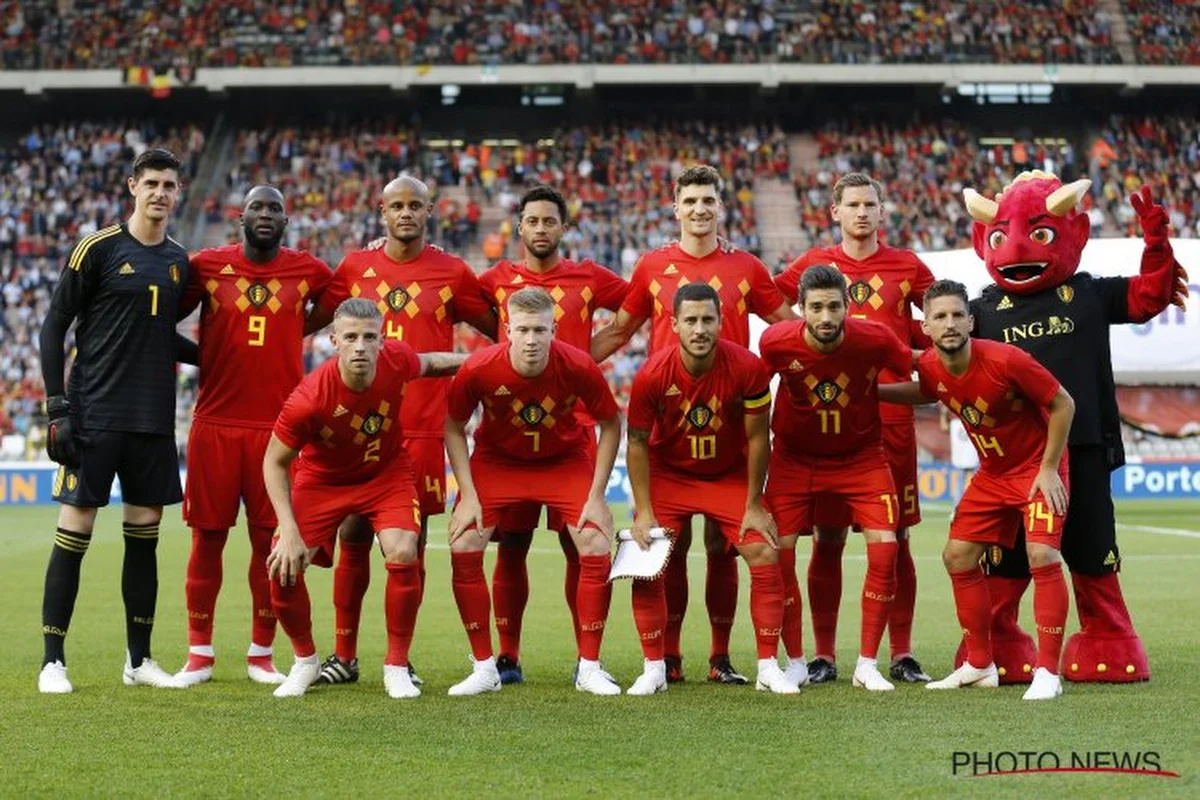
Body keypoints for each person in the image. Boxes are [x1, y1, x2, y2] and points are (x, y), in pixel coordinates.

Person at [591, 164, 795, 685]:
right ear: (675, 208)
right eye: (691, 201)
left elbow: (788, 327)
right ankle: (669, 660)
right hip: (666, 434)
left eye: (709, 200)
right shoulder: (652, 266)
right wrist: (561, 366)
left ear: (720, 206)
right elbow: (619, 331)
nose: (699, 209)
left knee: (725, 547)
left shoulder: (747, 267)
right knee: (667, 551)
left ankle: (721, 658)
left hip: (728, 429)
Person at [307, 174, 497, 686]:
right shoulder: (354, 266)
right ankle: (344, 656)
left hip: (422, 430)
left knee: (409, 542)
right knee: (352, 535)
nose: (406, 213)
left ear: (430, 210)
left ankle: (400, 658)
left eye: (416, 205)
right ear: (382, 211)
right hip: (356, 429)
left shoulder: (453, 271)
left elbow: (500, 328)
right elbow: (309, 320)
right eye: (398, 206)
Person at [37, 148, 193, 693]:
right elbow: (53, 326)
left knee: (144, 539)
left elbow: (158, 332)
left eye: (169, 185)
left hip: (151, 420)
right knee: (74, 530)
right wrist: (57, 407)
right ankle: (52, 661)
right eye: (151, 182)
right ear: (132, 187)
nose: (160, 192)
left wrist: (218, 356)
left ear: (178, 193)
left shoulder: (178, 260)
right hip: (94, 415)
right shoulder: (97, 249)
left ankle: (139, 660)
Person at [774, 172, 935, 684]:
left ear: (882, 212)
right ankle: (823, 656)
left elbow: (941, 321)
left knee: (898, 539)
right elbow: (769, 302)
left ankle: (902, 652)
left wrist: (916, 340)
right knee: (828, 537)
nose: (862, 213)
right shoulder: (812, 266)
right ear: (835, 213)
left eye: (871, 204)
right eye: (853, 205)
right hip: (825, 423)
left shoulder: (907, 265)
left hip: (889, 422)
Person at [262, 298, 466, 699]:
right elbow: (273, 463)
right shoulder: (309, 397)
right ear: (333, 340)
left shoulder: (397, 361)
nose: (360, 346)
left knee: (404, 550)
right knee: (282, 565)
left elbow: (433, 363)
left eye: (369, 337)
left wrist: (493, 356)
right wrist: (288, 530)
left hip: (385, 474)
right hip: (323, 481)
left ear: (383, 339)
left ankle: (395, 666)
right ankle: (305, 661)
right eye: (351, 337)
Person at [880, 280, 1074, 701]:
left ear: (970, 321)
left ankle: (1048, 673)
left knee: (1042, 554)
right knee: (957, 556)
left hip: (1037, 469)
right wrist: (870, 394)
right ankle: (981, 664)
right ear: (925, 326)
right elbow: (926, 391)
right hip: (993, 472)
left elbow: (1064, 403)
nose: (949, 324)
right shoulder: (931, 365)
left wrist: (1047, 468)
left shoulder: (1007, 360)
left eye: (956, 315)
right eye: (939, 317)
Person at [174, 185, 333, 687]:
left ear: (286, 221)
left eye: (275, 209)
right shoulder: (206, 266)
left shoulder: (306, 270)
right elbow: (158, 318)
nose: (266, 215)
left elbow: (342, 301)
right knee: (208, 540)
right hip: (215, 425)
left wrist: (298, 331)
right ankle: (199, 655)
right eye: (257, 207)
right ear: (239, 216)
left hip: (278, 432)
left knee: (272, 542)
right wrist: (206, 356)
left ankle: (261, 654)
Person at [478, 184, 629, 684]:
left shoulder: (587, 276)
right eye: (532, 221)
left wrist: (584, 360)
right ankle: (507, 656)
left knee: (578, 545)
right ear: (518, 228)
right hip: (511, 435)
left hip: (575, 430)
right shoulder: (494, 280)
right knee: (512, 545)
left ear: (564, 227)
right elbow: (455, 306)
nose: (541, 229)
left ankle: (587, 661)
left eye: (550, 221)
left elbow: (638, 309)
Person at [444, 288, 622, 696]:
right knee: (464, 542)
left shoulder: (577, 365)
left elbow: (611, 424)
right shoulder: (479, 368)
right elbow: (453, 426)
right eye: (522, 329)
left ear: (554, 330)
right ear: (507, 329)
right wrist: (467, 494)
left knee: (594, 541)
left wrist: (597, 495)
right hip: (499, 461)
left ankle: (590, 667)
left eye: (539, 330)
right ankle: (485, 667)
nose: (531, 339)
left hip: (563, 460)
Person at [624, 282, 794, 695]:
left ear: (722, 322)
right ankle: (656, 667)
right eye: (691, 321)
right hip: (671, 475)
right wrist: (644, 511)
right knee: (646, 559)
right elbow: (638, 444)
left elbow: (758, 439)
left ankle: (768, 666)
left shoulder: (748, 368)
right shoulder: (651, 374)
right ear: (674, 324)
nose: (700, 329)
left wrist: (754, 503)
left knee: (762, 549)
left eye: (708, 320)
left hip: (727, 475)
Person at [759, 264, 910, 692]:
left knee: (886, 549)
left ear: (848, 306)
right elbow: (751, 394)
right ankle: (795, 661)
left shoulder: (876, 339)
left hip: (861, 458)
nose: (826, 317)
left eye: (834, 307)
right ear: (801, 310)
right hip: (794, 459)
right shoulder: (775, 342)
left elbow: (922, 374)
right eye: (816, 308)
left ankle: (867, 664)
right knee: (779, 555)